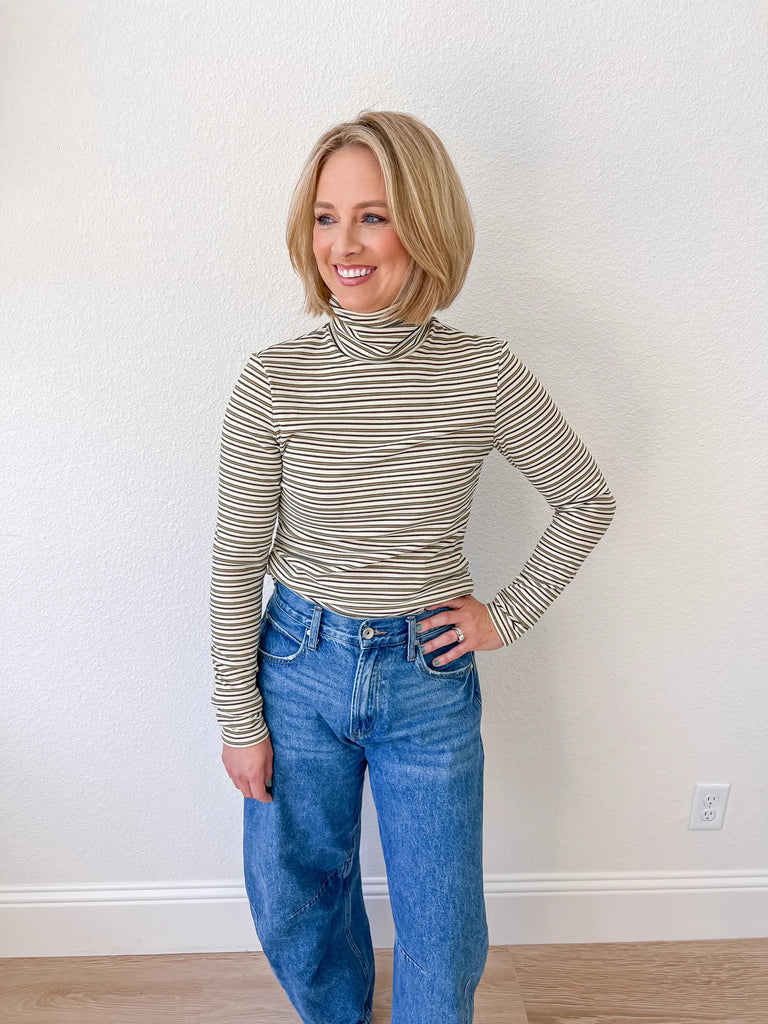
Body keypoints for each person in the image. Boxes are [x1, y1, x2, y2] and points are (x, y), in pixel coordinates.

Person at [210, 110, 616, 1024]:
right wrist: (240, 715)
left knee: (444, 926)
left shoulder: (483, 374)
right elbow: (237, 560)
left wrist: (504, 614)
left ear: (424, 225)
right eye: (325, 216)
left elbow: (585, 498)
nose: (343, 244)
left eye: (373, 216)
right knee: (294, 897)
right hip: (297, 669)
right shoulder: (274, 379)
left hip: (426, 679)